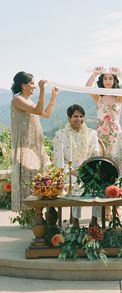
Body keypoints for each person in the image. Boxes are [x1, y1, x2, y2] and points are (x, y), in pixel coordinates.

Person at [11, 71, 59, 211]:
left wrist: (54, 97)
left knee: (39, 174)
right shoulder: (17, 99)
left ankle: (37, 212)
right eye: (32, 83)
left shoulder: (29, 101)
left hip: (36, 143)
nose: (34, 86)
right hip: (25, 145)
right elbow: (38, 111)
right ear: (23, 85)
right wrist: (43, 90)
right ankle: (29, 213)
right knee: (29, 177)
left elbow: (46, 114)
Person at [53, 104, 101, 227]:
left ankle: (94, 220)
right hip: (68, 171)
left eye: (81, 116)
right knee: (76, 181)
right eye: (75, 116)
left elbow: (96, 156)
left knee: (99, 182)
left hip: (89, 170)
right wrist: (73, 171)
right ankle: (75, 220)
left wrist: (89, 170)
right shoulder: (60, 134)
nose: (79, 119)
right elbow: (58, 160)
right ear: (69, 118)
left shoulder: (92, 134)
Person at [85, 66, 122, 157]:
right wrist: (95, 74)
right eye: (105, 78)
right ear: (102, 81)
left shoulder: (118, 97)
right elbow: (87, 87)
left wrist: (120, 73)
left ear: (114, 81)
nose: (108, 81)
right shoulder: (98, 97)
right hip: (101, 132)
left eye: (110, 78)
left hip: (115, 132)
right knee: (102, 155)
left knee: (116, 156)